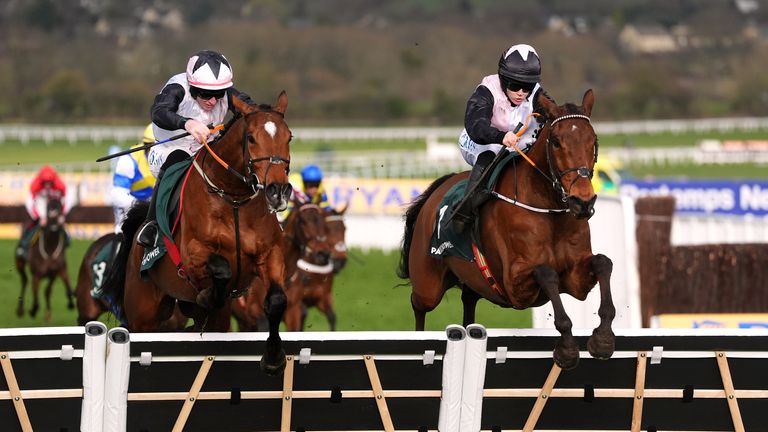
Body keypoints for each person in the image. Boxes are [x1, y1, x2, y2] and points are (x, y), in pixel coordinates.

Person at [137, 49, 255, 248]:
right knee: (178, 156)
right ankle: (152, 223)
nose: (213, 101)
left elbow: (250, 108)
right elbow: (159, 111)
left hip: (207, 148)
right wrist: (187, 123)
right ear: (192, 85)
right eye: (206, 94)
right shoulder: (177, 88)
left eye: (218, 95)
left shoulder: (222, 92)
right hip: (169, 149)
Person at [451, 43, 548, 233]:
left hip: (516, 141)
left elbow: (552, 112)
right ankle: (464, 212)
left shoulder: (536, 92)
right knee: (491, 154)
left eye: (527, 87)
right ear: (503, 79)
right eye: (515, 86)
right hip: (479, 141)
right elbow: (476, 124)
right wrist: (500, 136)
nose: (521, 93)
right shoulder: (487, 90)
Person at [110, 124, 157, 233]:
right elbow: (117, 194)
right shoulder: (129, 160)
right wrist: (143, 207)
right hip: (131, 213)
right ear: (147, 145)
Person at [16, 165, 68, 257]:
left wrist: (62, 215)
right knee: (34, 225)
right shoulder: (35, 185)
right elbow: (30, 204)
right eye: (45, 183)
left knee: (60, 224)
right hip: (40, 206)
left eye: (49, 182)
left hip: (53, 206)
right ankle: (23, 246)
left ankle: (67, 240)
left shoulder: (60, 185)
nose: (47, 185)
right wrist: (39, 217)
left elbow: (66, 200)